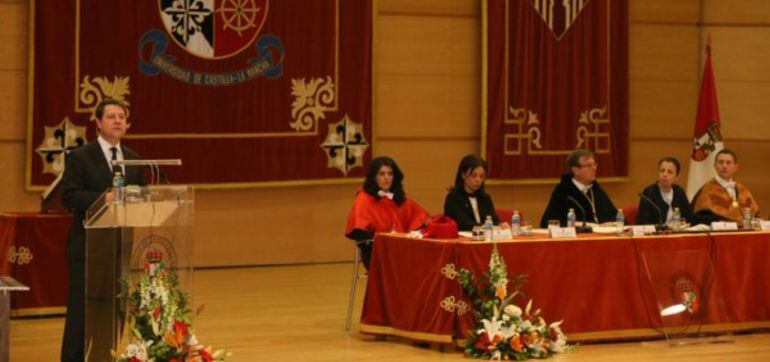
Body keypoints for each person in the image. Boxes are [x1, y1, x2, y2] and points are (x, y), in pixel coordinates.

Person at [60, 98, 146, 362]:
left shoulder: (133, 158)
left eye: (122, 116)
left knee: (112, 313)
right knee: (82, 314)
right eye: (111, 116)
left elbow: (142, 195)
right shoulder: (80, 156)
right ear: (98, 123)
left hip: (118, 249)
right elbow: (69, 196)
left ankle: (104, 358)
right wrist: (103, 199)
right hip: (87, 249)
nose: (118, 120)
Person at [345, 156, 429, 269]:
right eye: (382, 174)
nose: (387, 178)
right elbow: (357, 232)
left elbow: (421, 220)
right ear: (374, 177)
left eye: (390, 174)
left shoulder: (398, 198)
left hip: (400, 250)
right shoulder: (363, 198)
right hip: (375, 253)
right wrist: (385, 238)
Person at [540, 149, 617, 227]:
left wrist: (613, 223)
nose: (594, 168)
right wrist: (582, 224)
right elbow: (548, 223)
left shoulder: (596, 189)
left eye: (594, 164)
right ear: (575, 170)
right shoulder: (563, 191)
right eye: (588, 166)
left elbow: (616, 217)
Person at [691, 149, 759, 224]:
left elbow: (755, 214)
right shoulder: (707, 189)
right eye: (721, 162)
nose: (724, 166)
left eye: (728, 162)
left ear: (735, 167)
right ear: (715, 166)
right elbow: (698, 218)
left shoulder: (743, 190)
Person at [443, 154, 509, 231]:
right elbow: (463, 224)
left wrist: (501, 225)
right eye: (474, 175)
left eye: (481, 176)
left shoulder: (485, 198)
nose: (478, 180)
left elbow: (493, 220)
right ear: (463, 175)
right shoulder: (453, 198)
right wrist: (484, 227)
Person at [636, 157, 694, 225]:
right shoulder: (649, 192)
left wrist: (684, 223)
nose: (665, 174)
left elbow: (689, 218)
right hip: (656, 234)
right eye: (662, 171)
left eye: (670, 172)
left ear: (676, 177)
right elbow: (642, 222)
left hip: (677, 233)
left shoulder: (679, 192)